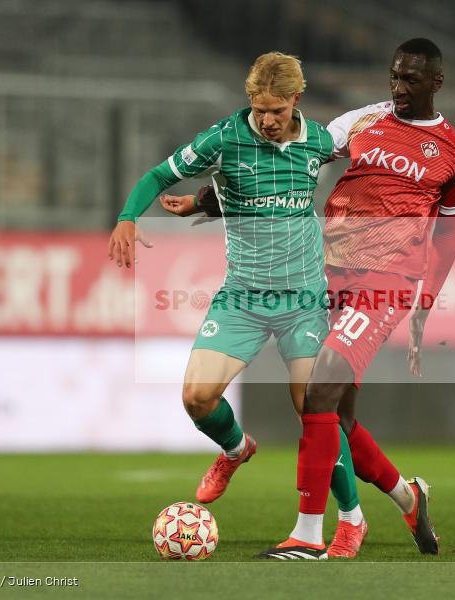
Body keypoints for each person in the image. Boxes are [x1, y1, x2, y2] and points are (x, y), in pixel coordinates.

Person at [109, 52, 365, 557]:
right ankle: (235, 448)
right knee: (196, 399)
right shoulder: (223, 138)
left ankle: (351, 519)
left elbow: (366, 141)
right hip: (243, 297)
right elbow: (159, 176)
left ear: (296, 99)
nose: (266, 119)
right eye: (258, 108)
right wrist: (127, 217)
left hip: (304, 299)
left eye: (275, 109)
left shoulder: (318, 142)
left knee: (314, 410)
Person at [258, 38, 455, 559]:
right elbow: (302, 152)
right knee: (340, 417)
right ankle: (409, 496)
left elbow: (448, 234)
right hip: (327, 267)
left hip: (388, 280)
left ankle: (309, 535)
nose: (399, 88)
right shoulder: (362, 120)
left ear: (436, 84)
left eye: (411, 80)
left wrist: (424, 305)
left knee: (319, 389)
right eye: (394, 76)